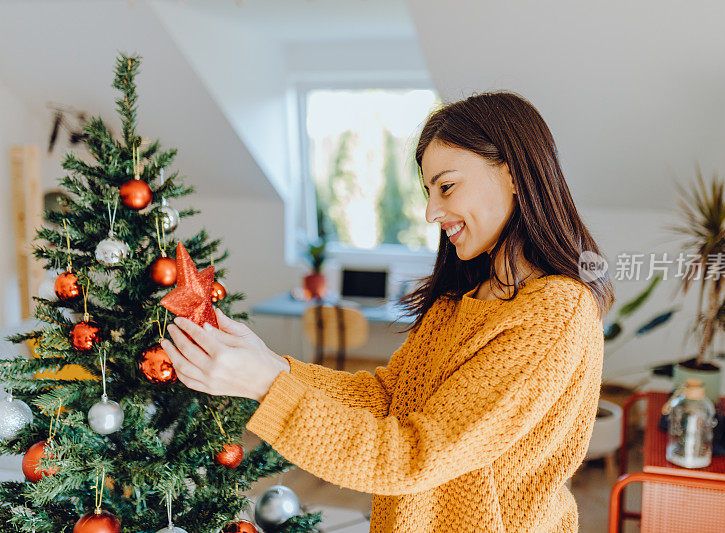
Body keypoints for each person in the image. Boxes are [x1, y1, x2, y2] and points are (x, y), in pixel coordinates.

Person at [161, 91, 614, 532]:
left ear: (514, 173)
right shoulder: (464, 299)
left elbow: (412, 456)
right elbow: (386, 398)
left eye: (447, 186)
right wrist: (271, 365)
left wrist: (267, 385)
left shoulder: (555, 313)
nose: (431, 211)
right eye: (429, 191)